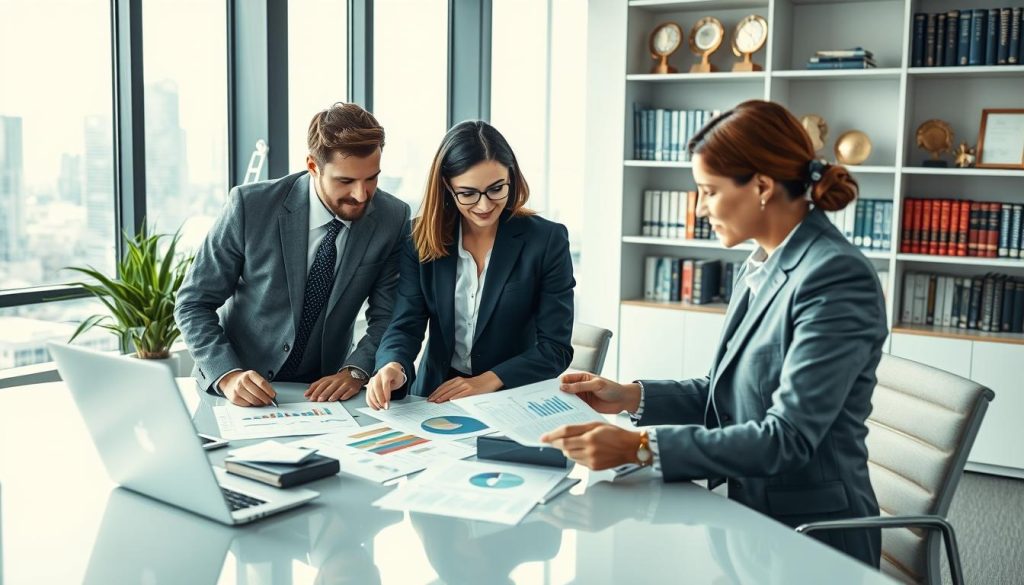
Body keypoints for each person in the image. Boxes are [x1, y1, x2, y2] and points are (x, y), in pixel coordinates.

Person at [541, 100, 888, 567]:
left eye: (708, 191)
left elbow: (786, 437)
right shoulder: (761, 264)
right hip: (743, 518)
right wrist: (629, 397)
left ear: (762, 187)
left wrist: (639, 447)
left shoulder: (836, 277)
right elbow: (724, 395)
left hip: (808, 537)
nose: (700, 208)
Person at [175, 103, 410, 407]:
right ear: (313, 166)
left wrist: (356, 370)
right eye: (345, 181)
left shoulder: (392, 217)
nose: (362, 195)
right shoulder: (250, 206)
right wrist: (229, 375)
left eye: (371, 178)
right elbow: (193, 303)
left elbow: (388, 315)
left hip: (325, 396)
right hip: (239, 392)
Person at [365, 121, 575, 409]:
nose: (485, 205)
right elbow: (406, 324)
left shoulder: (546, 240)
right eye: (468, 193)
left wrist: (486, 381)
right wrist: (393, 366)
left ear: (511, 179)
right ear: (447, 189)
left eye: (496, 189)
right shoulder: (419, 240)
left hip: (512, 396)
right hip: (436, 394)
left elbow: (555, 349)